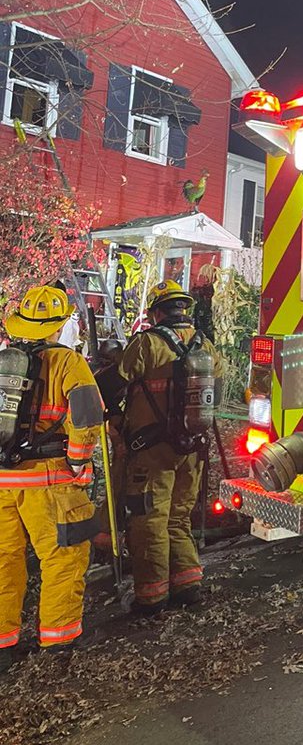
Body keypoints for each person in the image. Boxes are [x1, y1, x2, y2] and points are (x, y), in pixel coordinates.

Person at [0, 285, 104, 674]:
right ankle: (58, 640)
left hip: (3, 480)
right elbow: (87, 416)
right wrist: (79, 461)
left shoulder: (3, 361)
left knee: (4, 561)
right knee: (63, 557)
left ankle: (4, 645)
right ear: (58, 327)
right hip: (48, 481)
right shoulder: (67, 362)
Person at [117, 280, 224, 615]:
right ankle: (188, 585)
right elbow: (217, 393)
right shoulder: (203, 344)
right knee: (178, 518)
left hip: (151, 451)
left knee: (149, 520)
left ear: (157, 311)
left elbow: (113, 383)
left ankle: (151, 597)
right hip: (192, 448)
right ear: (184, 309)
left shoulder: (146, 344)